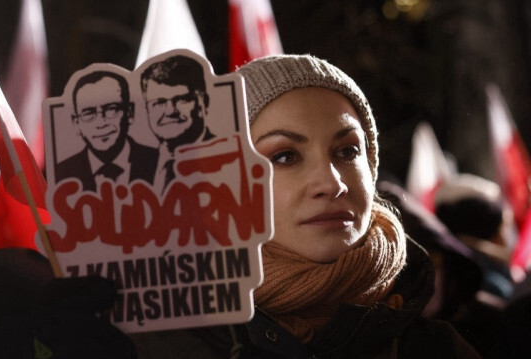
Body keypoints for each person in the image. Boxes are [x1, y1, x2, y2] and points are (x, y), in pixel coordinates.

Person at [130, 54, 480, 358]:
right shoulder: (141, 345)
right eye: (284, 156)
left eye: (347, 151)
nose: (332, 183)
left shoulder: (439, 349)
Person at [55, 70, 157, 191]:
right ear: (76, 123)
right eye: (89, 113)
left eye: (111, 109)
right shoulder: (62, 173)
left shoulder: (159, 163)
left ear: (130, 113)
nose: (101, 123)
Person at [140, 55, 215, 192]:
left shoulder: (228, 158)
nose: (170, 111)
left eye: (181, 99)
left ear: (203, 102)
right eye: (159, 103)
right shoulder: (136, 166)